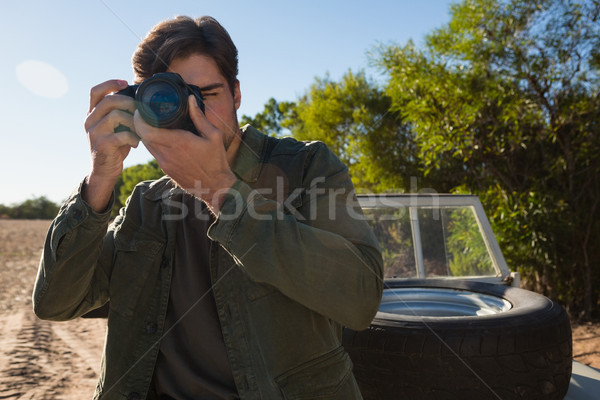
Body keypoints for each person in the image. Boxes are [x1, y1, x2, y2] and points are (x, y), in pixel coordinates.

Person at [33, 15, 383, 400]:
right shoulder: (147, 203)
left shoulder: (306, 167)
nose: (190, 114)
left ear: (236, 94)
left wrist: (220, 190)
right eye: (168, 100)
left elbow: (361, 298)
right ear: (140, 106)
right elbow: (56, 302)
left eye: (207, 95)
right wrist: (101, 175)